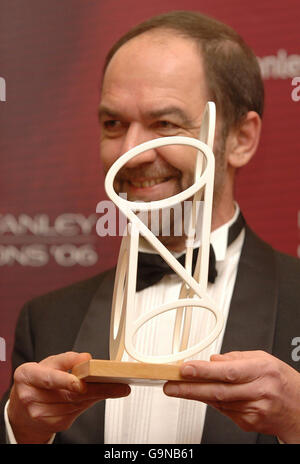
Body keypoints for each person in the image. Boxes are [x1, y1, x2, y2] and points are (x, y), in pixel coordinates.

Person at [1, 10, 300, 445]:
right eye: (113, 124)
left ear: (240, 139)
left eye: (165, 124)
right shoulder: (46, 320)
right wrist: (21, 430)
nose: (132, 152)